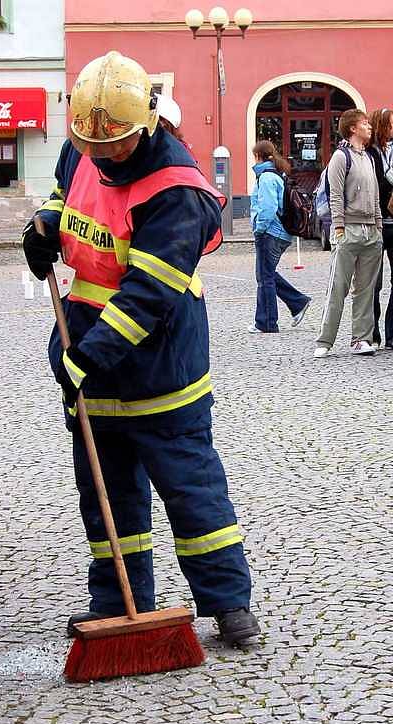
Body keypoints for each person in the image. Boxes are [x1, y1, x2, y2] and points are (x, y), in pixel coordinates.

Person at [22, 51, 260, 645]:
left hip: (160, 361)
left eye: (116, 145)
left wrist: (89, 357)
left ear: (147, 123)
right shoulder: (86, 139)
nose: (102, 154)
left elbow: (146, 297)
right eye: (93, 144)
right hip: (87, 343)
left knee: (191, 486)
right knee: (106, 492)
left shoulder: (179, 192)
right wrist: (45, 227)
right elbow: (63, 192)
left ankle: (227, 602)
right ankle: (118, 598)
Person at [315, 109, 383, 358]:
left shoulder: (369, 158)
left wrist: (378, 227)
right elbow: (335, 195)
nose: (369, 127)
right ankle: (325, 340)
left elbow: (375, 195)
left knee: (366, 290)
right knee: (338, 287)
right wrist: (339, 228)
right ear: (352, 128)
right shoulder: (340, 157)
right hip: (349, 230)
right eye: (365, 123)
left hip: (371, 233)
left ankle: (361, 339)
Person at [248, 141, 311, 333]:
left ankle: (267, 322)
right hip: (279, 232)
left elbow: (267, 208)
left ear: (258, 156)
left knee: (265, 277)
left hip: (270, 233)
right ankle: (298, 302)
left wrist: (259, 229)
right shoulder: (276, 174)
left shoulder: (266, 177)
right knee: (266, 274)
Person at [367, 108, 393, 349]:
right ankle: (373, 334)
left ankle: (392, 334)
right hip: (376, 224)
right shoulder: (369, 153)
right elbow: (375, 184)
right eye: (391, 125)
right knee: (374, 284)